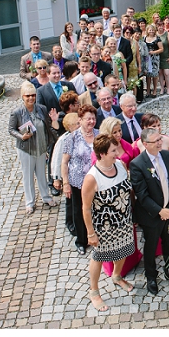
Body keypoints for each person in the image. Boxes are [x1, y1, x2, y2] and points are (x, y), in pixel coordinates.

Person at [81, 133, 136, 312]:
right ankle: (94, 291)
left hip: (124, 220)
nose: (117, 153)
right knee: (99, 257)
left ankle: (117, 276)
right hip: (104, 227)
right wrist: (90, 232)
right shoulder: (92, 178)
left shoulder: (120, 165)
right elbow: (86, 208)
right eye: (113, 150)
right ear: (103, 153)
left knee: (124, 249)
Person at [129, 127, 169, 296]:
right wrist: (160, 211)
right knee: (150, 247)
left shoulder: (168, 156)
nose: (160, 143)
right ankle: (151, 275)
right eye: (156, 141)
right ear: (145, 144)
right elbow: (141, 195)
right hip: (151, 215)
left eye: (160, 139)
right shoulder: (137, 164)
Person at [8, 82, 59, 214]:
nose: (31, 98)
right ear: (23, 97)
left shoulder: (41, 108)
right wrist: (21, 136)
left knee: (42, 174)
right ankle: (30, 202)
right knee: (28, 176)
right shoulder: (17, 112)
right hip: (26, 148)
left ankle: (46, 197)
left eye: (33, 95)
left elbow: (48, 126)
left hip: (41, 147)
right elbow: (11, 129)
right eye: (28, 96)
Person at [61, 104, 98, 253]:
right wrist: (65, 183)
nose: (91, 122)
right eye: (88, 119)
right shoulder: (72, 137)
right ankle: (81, 240)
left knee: (96, 209)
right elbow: (64, 162)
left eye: (93, 118)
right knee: (79, 210)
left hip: (96, 181)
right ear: (80, 120)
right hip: (78, 181)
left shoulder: (99, 134)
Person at [142, 24, 162, 97]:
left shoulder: (157, 38)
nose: (151, 31)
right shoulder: (144, 38)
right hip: (147, 59)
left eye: (152, 30)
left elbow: (161, 49)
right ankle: (148, 90)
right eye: (150, 30)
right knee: (147, 75)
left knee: (154, 75)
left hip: (155, 58)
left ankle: (154, 90)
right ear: (147, 30)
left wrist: (153, 52)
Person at [157, 20, 169, 95]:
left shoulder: (167, 34)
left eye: (161, 25)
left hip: (166, 56)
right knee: (160, 73)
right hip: (158, 57)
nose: (160, 27)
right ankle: (162, 88)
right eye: (159, 25)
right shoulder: (155, 35)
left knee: (166, 73)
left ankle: (168, 88)